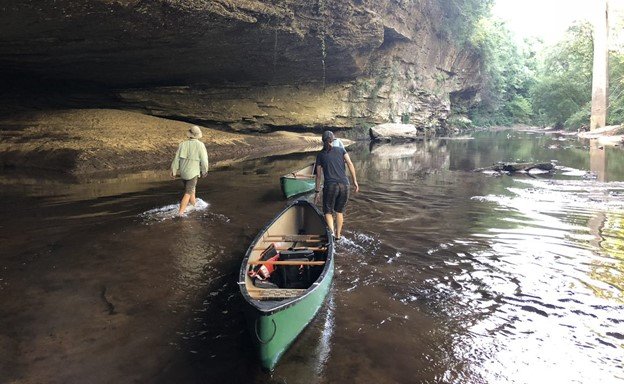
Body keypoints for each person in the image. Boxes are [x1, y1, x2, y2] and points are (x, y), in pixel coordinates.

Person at [314, 130, 359, 240]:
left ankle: (332, 234)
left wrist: (317, 191)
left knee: (328, 212)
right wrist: (355, 182)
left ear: (322, 141)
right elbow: (350, 163)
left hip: (330, 186)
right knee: (339, 211)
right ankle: (338, 236)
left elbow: (318, 175)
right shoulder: (341, 150)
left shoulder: (320, 155)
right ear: (333, 140)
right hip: (345, 185)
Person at [171, 125, 209, 216]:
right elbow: (204, 160)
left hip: (183, 172)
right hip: (193, 173)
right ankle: (180, 213)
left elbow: (176, 159)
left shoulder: (182, 144)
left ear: (190, 134)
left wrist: (174, 171)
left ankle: (193, 205)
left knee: (191, 189)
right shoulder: (200, 145)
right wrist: (205, 171)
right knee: (188, 192)